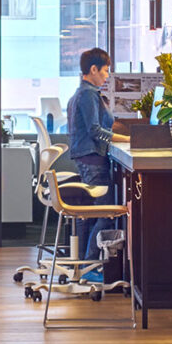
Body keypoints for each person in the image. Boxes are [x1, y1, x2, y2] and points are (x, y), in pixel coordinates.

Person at [64, 48, 128, 261]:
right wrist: (128, 140)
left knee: (93, 215)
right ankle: (91, 264)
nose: (107, 75)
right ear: (93, 69)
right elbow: (96, 131)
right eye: (105, 70)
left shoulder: (79, 94)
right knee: (106, 214)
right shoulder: (88, 94)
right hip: (93, 161)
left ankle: (83, 263)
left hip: (86, 160)